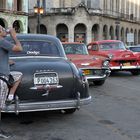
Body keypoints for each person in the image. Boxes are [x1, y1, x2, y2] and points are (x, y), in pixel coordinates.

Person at [0, 25, 23, 138]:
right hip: (1, 79)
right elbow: (19, 48)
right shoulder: (1, 41)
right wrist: (14, 36)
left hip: (4, 76)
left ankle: (10, 96)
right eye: (2, 29)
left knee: (18, 75)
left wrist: (6, 61)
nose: (5, 30)